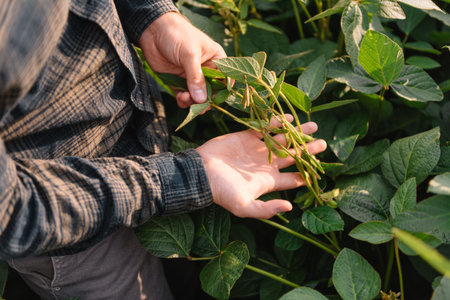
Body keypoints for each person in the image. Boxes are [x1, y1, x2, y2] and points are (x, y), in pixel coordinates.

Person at [0, 0, 326, 299]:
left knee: (183, 279)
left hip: (146, 144)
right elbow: (8, 211)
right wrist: (183, 179)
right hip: (69, 226)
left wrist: (151, 16)